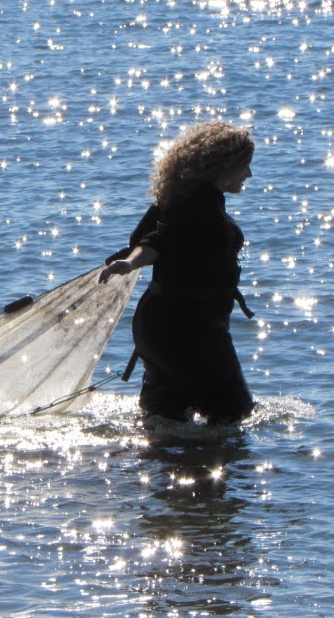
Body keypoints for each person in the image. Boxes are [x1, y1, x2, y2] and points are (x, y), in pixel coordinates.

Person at [99, 120, 256, 425]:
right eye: (244, 166)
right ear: (221, 166)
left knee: (164, 422)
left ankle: (153, 470)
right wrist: (131, 264)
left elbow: (142, 239)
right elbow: (156, 243)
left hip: (156, 326)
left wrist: (130, 258)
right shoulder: (199, 207)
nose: (249, 174)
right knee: (232, 415)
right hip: (189, 330)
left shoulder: (175, 198)